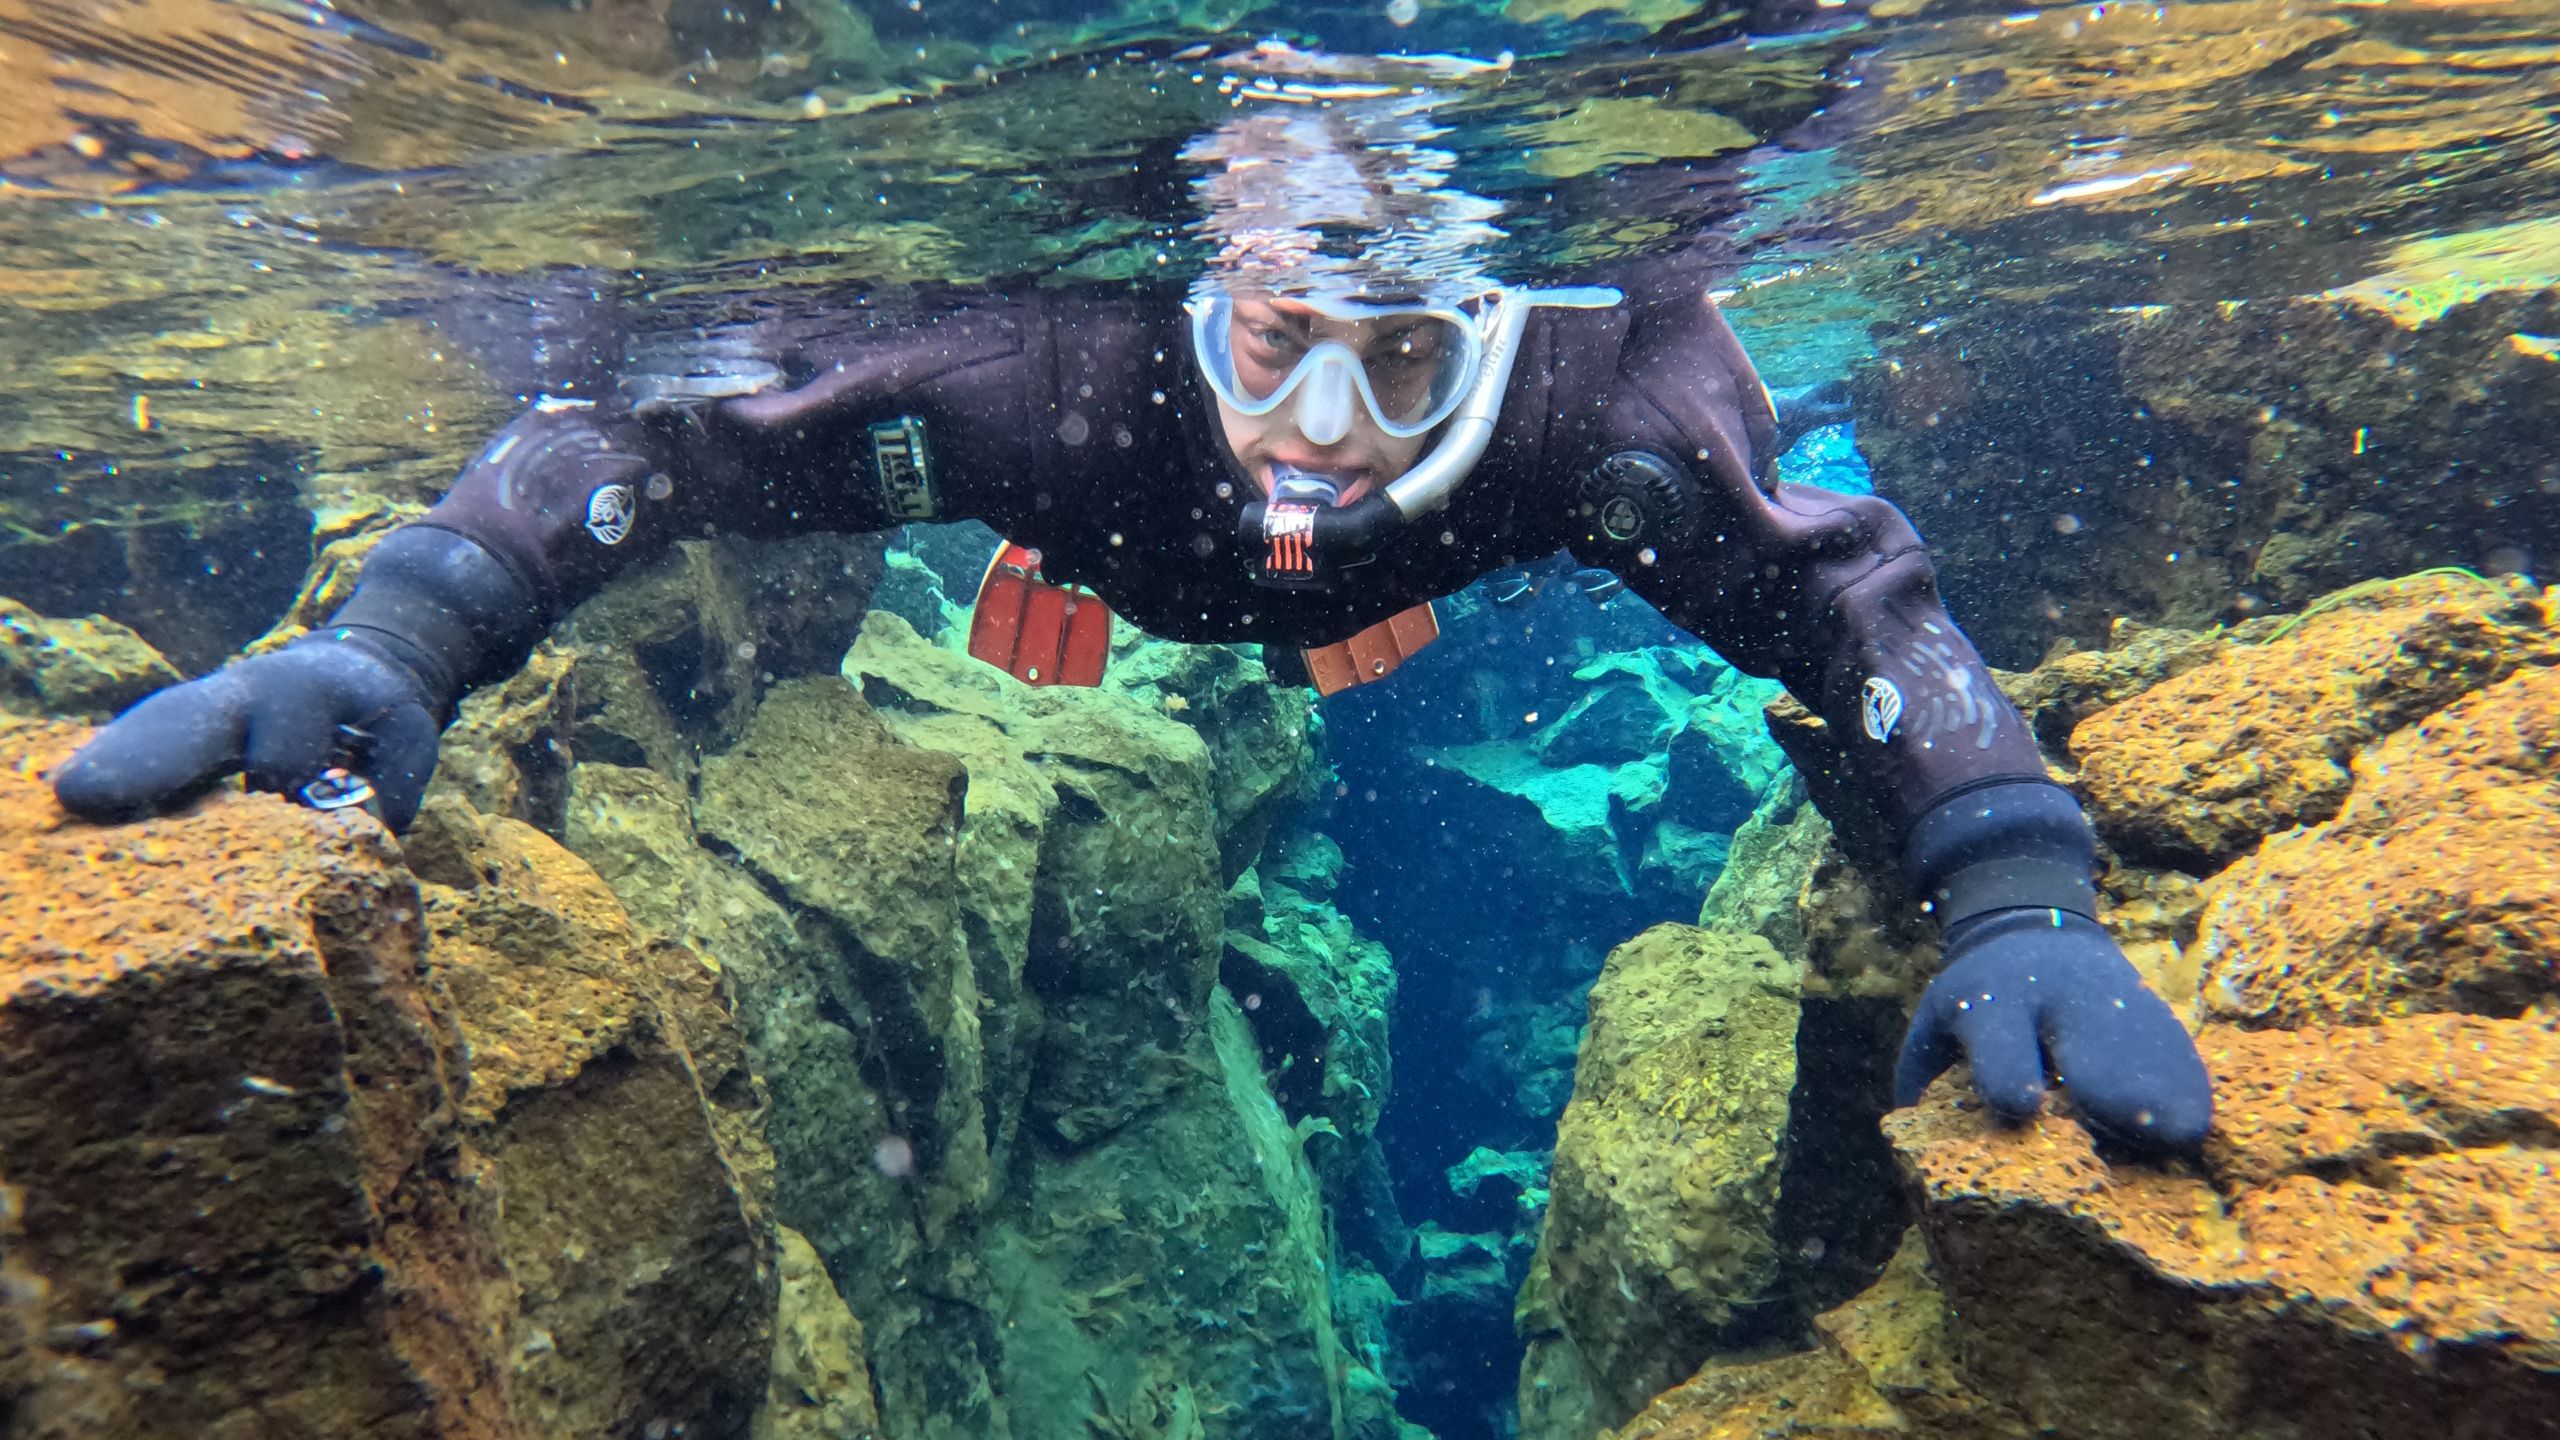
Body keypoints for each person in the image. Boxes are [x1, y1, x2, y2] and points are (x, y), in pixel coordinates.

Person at [48, 86, 2212, 1158]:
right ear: (1203, 293)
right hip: (1086, 540)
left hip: (1289, 579)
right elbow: (656, 445)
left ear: (1505, 326)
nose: (1325, 436)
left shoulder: (1609, 403)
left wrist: (2011, 887)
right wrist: (392, 643)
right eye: (1278, 350)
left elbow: (1853, 597)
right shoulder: (1035, 376)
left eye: (1398, 367)